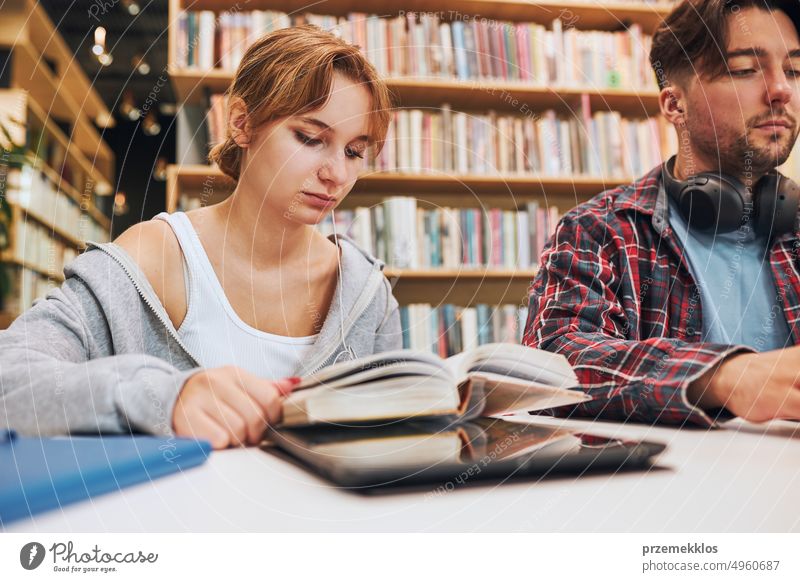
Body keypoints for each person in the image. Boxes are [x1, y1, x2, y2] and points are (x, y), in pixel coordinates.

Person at [0, 25, 400, 448]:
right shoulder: (152, 258)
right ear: (242, 124)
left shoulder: (365, 294)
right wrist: (164, 397)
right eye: (310, 138)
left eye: (355, 152)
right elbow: (10, 379)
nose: (336, 174)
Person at [524, 0, 800, 426]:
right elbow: (553, 364)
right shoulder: (597, 230)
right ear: (675, 105)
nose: (781, 89)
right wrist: (722, 377)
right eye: (745, 69)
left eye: (794, 70)